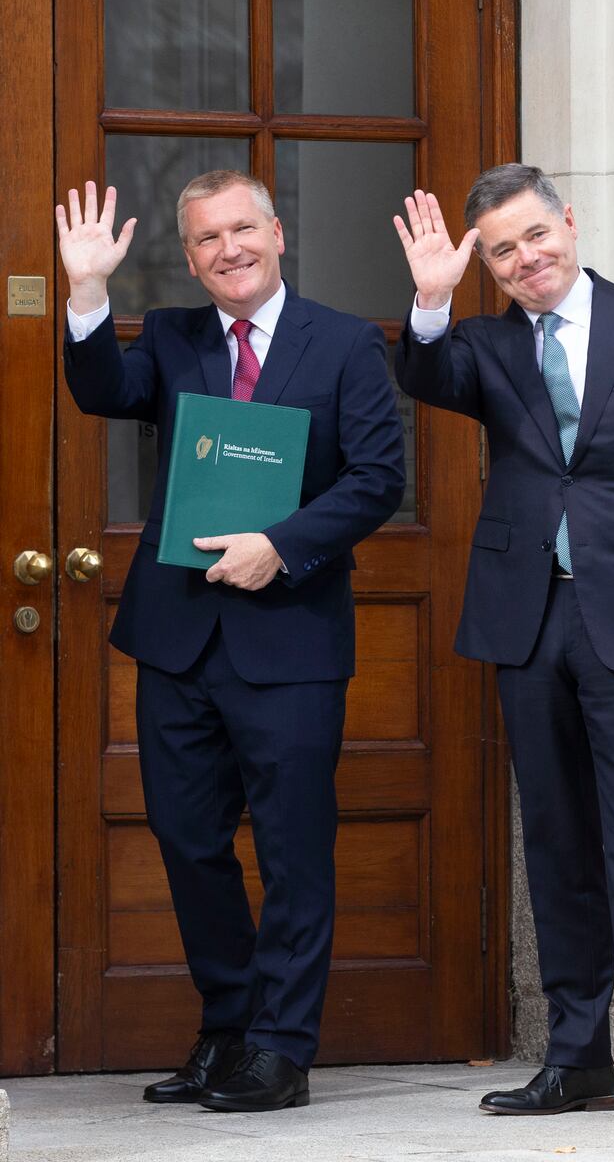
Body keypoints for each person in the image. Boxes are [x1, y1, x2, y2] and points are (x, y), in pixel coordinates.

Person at [392, 165, 614, 1131]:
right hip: (528, 620)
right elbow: (422, 378)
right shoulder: (482, 342)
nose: (525, 261)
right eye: (501, 251)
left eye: (535, 237)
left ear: (570, 225)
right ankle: (577, 1060)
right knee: (556, 846)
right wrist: (429, 299)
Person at [57, 170, 405, 1113]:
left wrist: (281, 548)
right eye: (206, 239)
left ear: (277, 232)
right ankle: (226, 1030)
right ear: (191, 254)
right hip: (177, 642)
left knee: (293, 850)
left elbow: (378, 478)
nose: (227, 250)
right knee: (186, 840)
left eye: (241, 229)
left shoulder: (342, 343)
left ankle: (282, 1051)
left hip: (289, 642)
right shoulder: (170, 337)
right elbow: (101, 391)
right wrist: (88, 293)